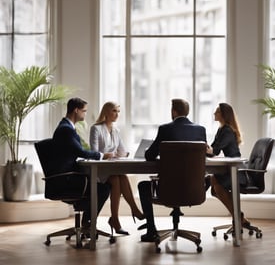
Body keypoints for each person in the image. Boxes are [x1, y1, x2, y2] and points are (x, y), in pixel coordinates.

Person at [138, 98, 207, 242]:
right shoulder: (200, 130)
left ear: (173, 112)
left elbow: (150, 155)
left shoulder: (165, 129)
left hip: (167, 190)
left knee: (143, 186)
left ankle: (151, 230)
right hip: (193, 190)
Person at [52, 97, 111, 228]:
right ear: (76, 110)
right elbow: (80, 152)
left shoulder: (65, 127)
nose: (85, 114)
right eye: (84, 111)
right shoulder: (66, 129)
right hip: (67, 181)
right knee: (104, 189)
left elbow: (74, 152)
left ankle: (87, 222)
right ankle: (88, 222)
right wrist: (102, 155)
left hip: (65, 177)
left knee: (100, 185)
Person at [89, 101, 144, 235]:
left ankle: (119, 217)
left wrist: (125, 154)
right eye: (114, 111)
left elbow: (122, 151)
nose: (117, 114)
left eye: (118, 112)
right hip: (100, 170)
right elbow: (94, 152)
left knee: (121, 177)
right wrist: (106, 155)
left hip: (112, 169)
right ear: (106, 112)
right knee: (115, 179)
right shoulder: (96, 129)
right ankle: (128, 213)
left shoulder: (116, 130)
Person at [206, 102, 251, 227]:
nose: (214, 113)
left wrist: (207, 149)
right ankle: (239, 216)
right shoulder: (221, 129)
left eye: (217, 111)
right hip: (230, 169)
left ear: (224, 115)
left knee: (216, 186)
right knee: (214, 185)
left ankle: (238, 217)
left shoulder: (227, 131)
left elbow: (215, 150)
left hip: (237, 172)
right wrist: (205, 148)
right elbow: (213, 149)